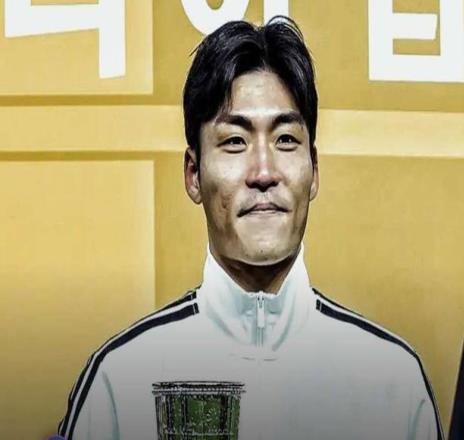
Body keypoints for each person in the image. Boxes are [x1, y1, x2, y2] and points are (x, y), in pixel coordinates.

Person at [57, 17, 443, 440]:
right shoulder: (120, 380)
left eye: (286, 140)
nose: (263, 172)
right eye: (235, 142)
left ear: (314, 170)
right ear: (193, 174)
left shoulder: (394, 383)